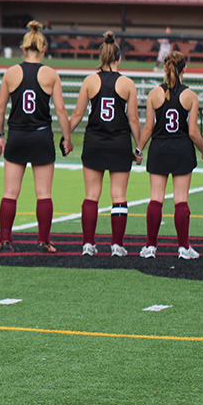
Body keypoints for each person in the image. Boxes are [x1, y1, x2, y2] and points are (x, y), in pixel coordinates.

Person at [0, 21, 70, 253]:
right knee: (44, 193)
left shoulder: (11, 72)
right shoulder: (50, 74)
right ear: (44, 49)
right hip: (41, 136)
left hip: (17, 135)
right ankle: (43, 241)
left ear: (24, 48)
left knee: (10, 192)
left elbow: (0, 109)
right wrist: (67, 138)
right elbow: (60, 110)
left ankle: (5, 240)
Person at [65, 32, 142, 256]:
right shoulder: (127, 83)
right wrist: (139, 147)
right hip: (119, 142)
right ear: (119, 58)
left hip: (94, 142)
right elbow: (134, 120)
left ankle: (88, 244)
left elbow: (78, 114)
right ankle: (117, 245)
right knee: (118, 195)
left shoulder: (90, 81)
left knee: (91, 194)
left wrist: (66, 136)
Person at [133, 51, 203, 259]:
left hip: (159, 149)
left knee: (156, 198)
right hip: (181, 150)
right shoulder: (190, 96)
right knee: (181, 200)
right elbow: (193, 132)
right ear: (185, 69)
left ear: (165, 68)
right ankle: (184, 248)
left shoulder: (154, 94)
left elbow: (148, 128)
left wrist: (139, 150)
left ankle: (150, 246)